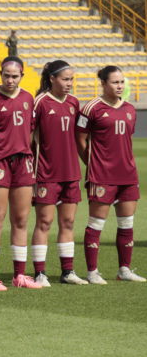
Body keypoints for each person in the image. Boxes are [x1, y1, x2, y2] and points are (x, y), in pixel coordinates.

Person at [77, 66, 145, 283]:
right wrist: (92, 163)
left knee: (127, 224)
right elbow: (80, 139)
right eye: (115, 82)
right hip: (101, 176)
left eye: (122, 82)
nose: (120, 86)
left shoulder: (130, 109)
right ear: (103, 84)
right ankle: (92, 272)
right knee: (96, 224)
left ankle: (124, 270)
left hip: (128, 176)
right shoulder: (90, 108)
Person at [0, 57, 40, 291]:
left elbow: (31, 132)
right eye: (6, 75)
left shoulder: (28, 98)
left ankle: (19, 276)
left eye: (15, 76)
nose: (10, 79)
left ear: (22, 76)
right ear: (0, 73)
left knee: (21, 220)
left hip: (23, 161)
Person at [30, 60, 88, 287]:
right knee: (44, 222)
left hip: (71, 172)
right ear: (51, 79)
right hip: (46, 172)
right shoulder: (40, 103)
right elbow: (28, 136)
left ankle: (67, 271)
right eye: (65, 79)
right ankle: (40, 273)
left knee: (69, 222)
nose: (69, 84)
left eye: (71, 79)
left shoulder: (74, 102)